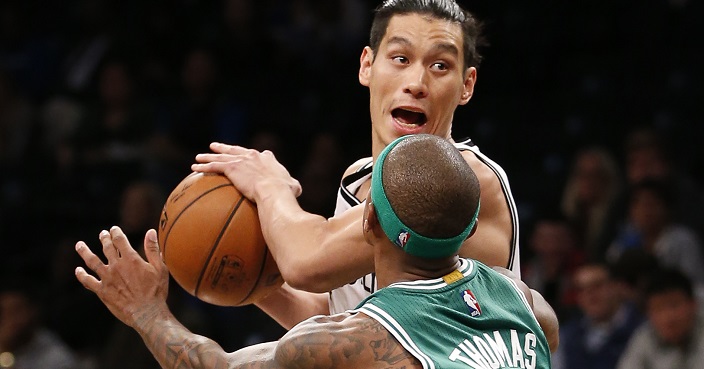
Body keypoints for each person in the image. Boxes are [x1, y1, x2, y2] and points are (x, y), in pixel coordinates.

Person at [190, 0, 560, 345]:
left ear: (467, 85)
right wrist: (247, 277)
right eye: (400, 58)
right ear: (367, 65)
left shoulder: (465, 179)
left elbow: (306, 264)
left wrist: (270, 187)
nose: (417, 82)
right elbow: (338, 315)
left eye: (440, 66)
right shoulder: (357, 178)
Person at [75, 134, 552, 369]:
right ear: (469, 228)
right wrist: (258, 281)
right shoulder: (527, 305)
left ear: (366, 221)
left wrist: (145, 311)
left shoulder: (355, 343)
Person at [552, 263, 643, 369]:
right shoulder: (567, 337)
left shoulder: (641, 330)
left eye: (597, 286)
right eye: (582, 290)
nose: (590, 296)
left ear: (615, 286)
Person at [617, 268, 704, 369]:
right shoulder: (644, 338)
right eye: (658, 308)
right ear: (649, 314)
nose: (668, 317)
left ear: (693, 304)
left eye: (674, 305)